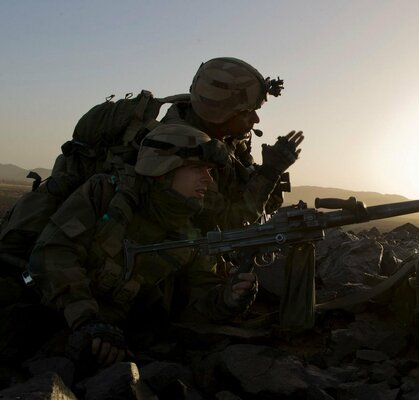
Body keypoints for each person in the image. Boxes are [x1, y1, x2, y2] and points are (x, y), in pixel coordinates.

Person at [26, 124, 258, 367]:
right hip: (51, 313)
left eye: (209, 170)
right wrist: (87, 320)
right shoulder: (106, 193)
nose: (208, 179)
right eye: (198, 168)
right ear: (162, 169)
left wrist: (229, 297)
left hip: (113, 338)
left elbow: (195, 302)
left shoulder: (190, 231)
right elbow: (53, 253)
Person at [162, 57, 304, 230]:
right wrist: (270, 172)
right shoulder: (183, 152)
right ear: (220, 111)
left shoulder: (225, 138)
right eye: (248, 112)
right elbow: (230, 224)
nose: (256, 119)